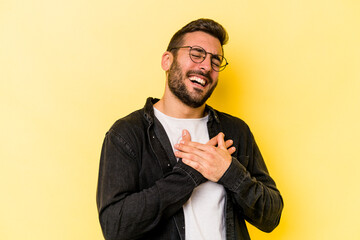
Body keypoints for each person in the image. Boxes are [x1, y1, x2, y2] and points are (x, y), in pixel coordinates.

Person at [96, 18, 283, 240]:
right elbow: (114, 227)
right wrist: (189, 175)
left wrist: (229, 172)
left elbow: (271, 216)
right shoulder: (127, 134)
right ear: (167, 60)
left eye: (216, 61)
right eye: (196, 54)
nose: (206, 66)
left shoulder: (235, 131)